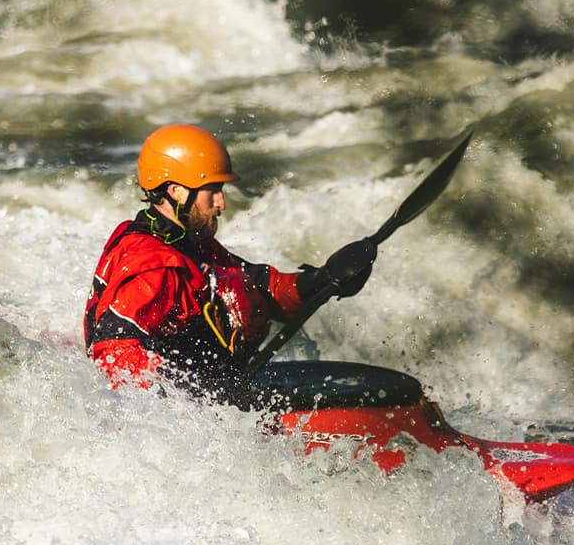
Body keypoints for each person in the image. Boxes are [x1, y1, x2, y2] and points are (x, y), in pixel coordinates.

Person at [84, 123, 376, 404]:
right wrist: (198, 395)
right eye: (213, 191)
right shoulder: (154, 266)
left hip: (220, 392)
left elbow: (262, 286)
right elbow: (113, 354)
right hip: (187, 416)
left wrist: (324, 280)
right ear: (176, 192)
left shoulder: (187, 243)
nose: (222, 203)